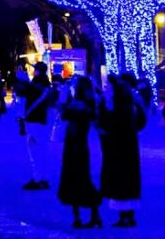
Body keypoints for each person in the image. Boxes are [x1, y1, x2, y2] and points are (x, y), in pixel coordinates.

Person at [100, 74, 145, 227]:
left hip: (118, 145)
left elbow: (109, 123)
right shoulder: (134, 103)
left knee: (120, 178)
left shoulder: (117, 106)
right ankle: (130, 215)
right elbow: (141, 122)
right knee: (130, 177)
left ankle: (124, 216)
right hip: (131, 143)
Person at [59, 76, 102, 229]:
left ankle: (79, 217)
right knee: (81, 178)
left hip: (74, 144)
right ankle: (93, 215)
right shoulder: (90, 104)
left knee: (75, 179)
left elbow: (63, 113)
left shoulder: (78, 104)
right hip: (81, 144)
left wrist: (64, 97)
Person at [19, 61, 53, 190]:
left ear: (38, 71)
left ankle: (36, 179)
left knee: (33, 149)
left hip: (34, 120)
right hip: (43, 120)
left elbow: (25, 93)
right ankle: (43, 178)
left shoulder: (36, 84)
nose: (33, 70)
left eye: (35, 69)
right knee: (42, 150)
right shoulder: (46, 84)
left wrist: (23, 80)